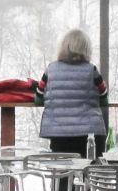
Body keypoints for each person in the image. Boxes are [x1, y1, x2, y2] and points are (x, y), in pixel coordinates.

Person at [37, 29, 108, 158]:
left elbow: (38, 97)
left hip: (59, 134)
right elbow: (103, 97)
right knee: (91, 173)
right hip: (90, 135)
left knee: (63, 174)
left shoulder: (50, 70)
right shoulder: (92, 70)